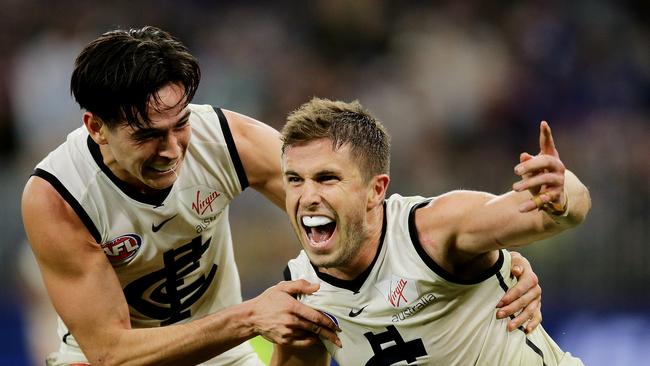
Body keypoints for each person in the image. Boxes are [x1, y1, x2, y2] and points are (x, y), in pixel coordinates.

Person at [21, 26, 543, 366]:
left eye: (179, 124)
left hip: (222, 355)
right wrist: (251, 318)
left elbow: (360, 213)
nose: (173, 148)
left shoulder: (222, 139)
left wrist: (482, 259)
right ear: (96, 127)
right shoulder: (58, 198)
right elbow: (111, 352)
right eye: (147, 136)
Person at [273, 98, 591, 365]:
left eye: (327, 178)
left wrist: (561, 194)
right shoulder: (303, 294)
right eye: (295, 180)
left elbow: (554, 216)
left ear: (376, 190)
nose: (308, 197)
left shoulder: (434, 230)